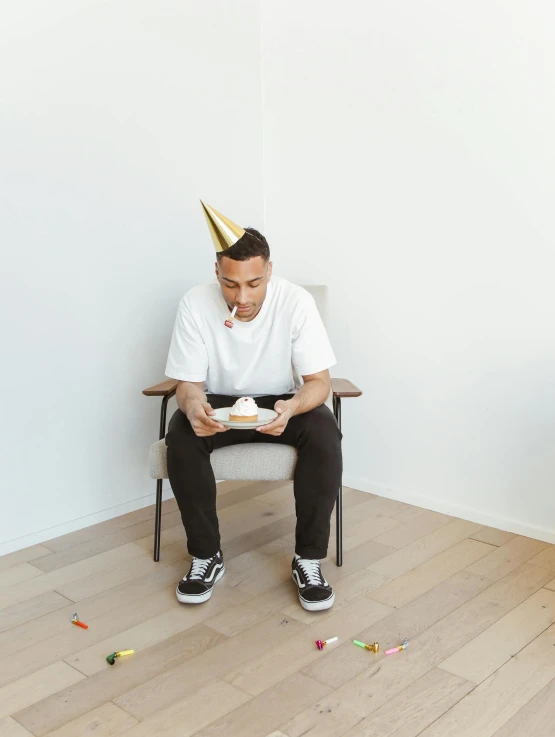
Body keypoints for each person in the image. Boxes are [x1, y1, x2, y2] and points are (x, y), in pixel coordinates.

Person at [164, 202, 342, 611]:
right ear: (217, 274)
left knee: (325, 432)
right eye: (230, 285)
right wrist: (194, 410)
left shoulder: (296, 302)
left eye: (254, 284)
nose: (241, 297)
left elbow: (319, 383)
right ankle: (206, 556)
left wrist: (293, 407)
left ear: (269, 271)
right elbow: (188, 385)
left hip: (283, 400)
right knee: (180, 432)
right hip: (220, 403)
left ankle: (309, 559)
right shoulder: (194, 303)